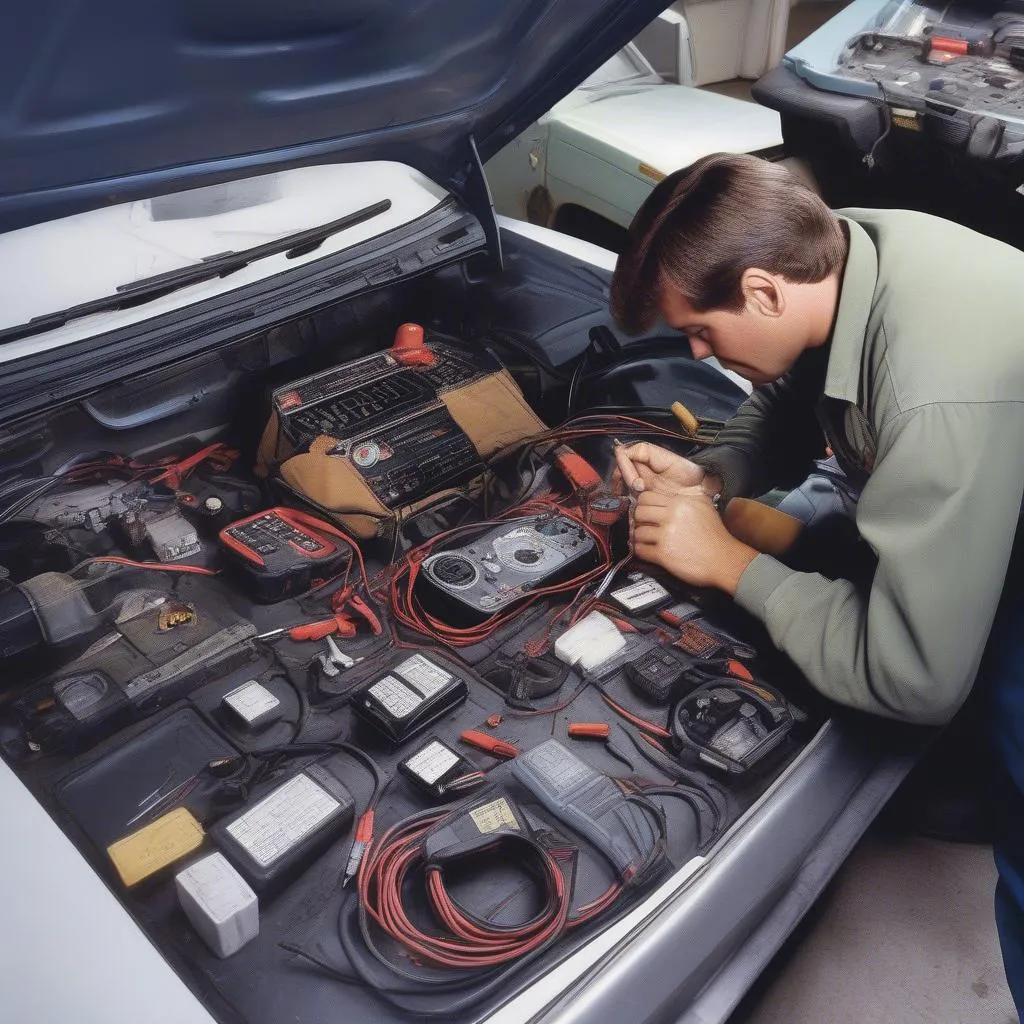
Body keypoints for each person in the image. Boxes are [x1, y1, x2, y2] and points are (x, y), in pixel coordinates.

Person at [609, 152, 1024, 1011]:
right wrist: (713, 478)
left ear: (762, 291)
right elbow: (800, 390)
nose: (697, 354)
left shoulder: (931, 393)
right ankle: (970, 786)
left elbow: (912, 678)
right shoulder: (844, 248)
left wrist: (729, 563)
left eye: (701, 332)